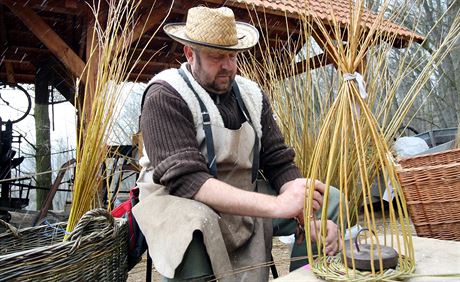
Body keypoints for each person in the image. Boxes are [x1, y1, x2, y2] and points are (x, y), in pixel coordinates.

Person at [133, 6, 341, 281]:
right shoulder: (166, 95)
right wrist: (280, 206)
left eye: (232, 55)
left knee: (328, 200)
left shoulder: (252, 95)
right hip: (176, 201)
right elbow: (188, 181)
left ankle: (303, 276)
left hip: (242, 190)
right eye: (216, 56)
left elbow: (278, 160)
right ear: (189, 53)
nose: (228, 66)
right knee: (197, 222)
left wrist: (305, 214)